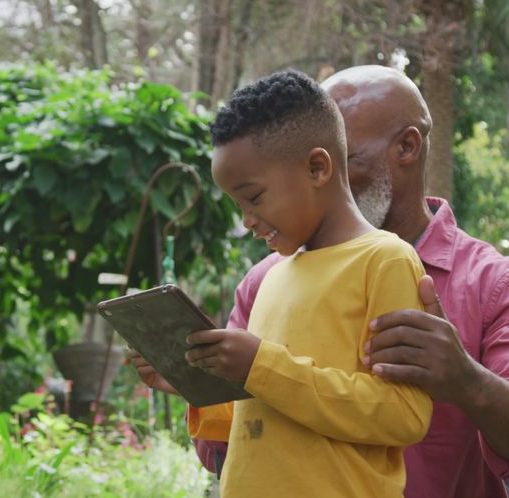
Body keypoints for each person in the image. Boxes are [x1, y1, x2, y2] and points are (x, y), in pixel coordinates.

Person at [134, 65, 509, 497]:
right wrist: (198, 382)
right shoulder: (264, 281)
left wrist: (467, 379)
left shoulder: (494, 284)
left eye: (347, 158)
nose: (335, 180)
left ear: (407, 147)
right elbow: (245, 443)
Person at [180, 69, 433, 496]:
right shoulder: (272, 277)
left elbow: (404, 414)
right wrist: (192, 378)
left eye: (254, 197)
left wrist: (260, 365)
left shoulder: (384, 260)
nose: (246, 220)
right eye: (237, 204)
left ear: (317, 168)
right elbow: (269, 412)